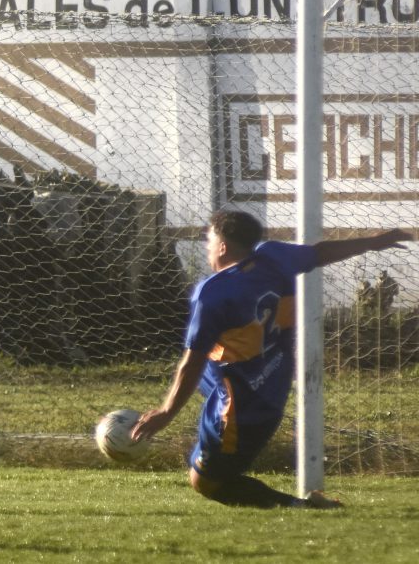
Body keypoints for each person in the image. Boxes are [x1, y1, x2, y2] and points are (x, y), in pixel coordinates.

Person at [131, 209, 412, 508]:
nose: (207, 247)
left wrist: (166, 412)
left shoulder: (213, 293)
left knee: (207, 482)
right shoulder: (273, 257)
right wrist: (372, 242)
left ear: (223, 246)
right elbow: (319, 253)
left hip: (238, 408)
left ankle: (305, 508)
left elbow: (193, 360)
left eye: (209, 240)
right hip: (269, 390)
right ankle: (305, 506)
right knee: (207, 474)